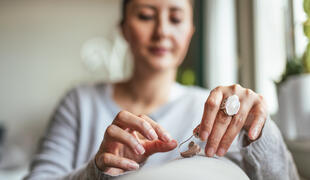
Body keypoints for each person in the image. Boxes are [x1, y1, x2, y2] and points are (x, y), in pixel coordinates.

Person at [24, 0, 299, 179]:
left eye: (176, 18)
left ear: (191, 30)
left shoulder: (217, 114)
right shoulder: (80, 103)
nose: (162, 31)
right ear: (124, 29)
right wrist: (97, 171)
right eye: (145, 16)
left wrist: (258, 131)